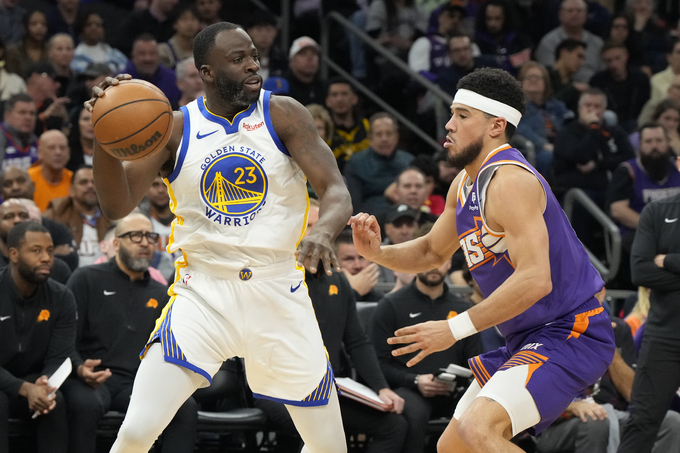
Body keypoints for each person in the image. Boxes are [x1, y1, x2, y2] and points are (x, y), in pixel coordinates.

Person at [86, 22, 352, 453]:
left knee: (330, 447)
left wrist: (323, 229)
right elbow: (116, 207)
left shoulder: (283, 113)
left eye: (254, 56)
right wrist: (106, 131)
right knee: (136, 431)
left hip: (278, 290)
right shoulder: (175, 128)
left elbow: (336, 190)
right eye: (238, 59)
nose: (252, 66)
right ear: (206, 72)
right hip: (204, 295)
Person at [349, 67, 615, 453]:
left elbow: (536, 279)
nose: (449, 124)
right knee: (452, 447)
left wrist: (452, 330)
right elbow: (430, 252)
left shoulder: (510, 181)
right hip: (527, 337)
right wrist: (377, 252)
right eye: (451, 114)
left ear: (496, 125)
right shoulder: (463, 184)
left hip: (569, 331)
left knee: (479, 429)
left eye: (462, 115)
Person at [255, 201, 407, 453]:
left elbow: (357, 341)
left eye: (321, 226)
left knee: (394, 426)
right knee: (318, 428)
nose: (316, 233)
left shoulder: (337, 279)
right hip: (277, 388)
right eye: (308, 226)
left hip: (328, 387)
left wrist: (381, 387)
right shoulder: (272, 278)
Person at [61, 212, 198, 453]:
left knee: (184, 407)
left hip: (136, 383)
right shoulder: (86, 279)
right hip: (90, 378)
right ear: (116, 243)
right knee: (84, 405)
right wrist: (79, 367)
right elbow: (64, 337)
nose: (145, 243)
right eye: (135, 236)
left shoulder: (162, 293)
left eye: (150, 237)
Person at [371, 223, 483, 453]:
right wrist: (414, 380)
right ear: (415, 260)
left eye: (442, 258)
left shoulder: (463, 309)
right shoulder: (390, 305)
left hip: (454, 391)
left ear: (450, 262)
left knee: (483, 411)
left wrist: (457, 382)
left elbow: (475, 360)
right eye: (429, 258)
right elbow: (377, 364)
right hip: (408, 389)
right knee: (414, 413)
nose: (435, 266)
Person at [536, 316, 680, 453]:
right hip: (557, 422)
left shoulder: (618, 329)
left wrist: (606, 344)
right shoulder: (553, 326)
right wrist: (572, 407)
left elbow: (632, 394)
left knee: (671, 422)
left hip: (614, 415)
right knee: (596, 422)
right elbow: (536, 394)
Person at [617, 158, 680, 453]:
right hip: (664, 336)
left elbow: (653, 269)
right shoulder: (657, 212)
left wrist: (670, 261)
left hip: (663, 331)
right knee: (641, 421)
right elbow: (640, 272)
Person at [0, 221, 76, 453]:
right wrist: (23, 388)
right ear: (13, 254)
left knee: (54, 401)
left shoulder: (62, 297)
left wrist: (44, 384)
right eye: (36, 251)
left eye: (50, 251)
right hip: (3, 380)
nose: (46, 258)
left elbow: (58, 357)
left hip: (36, 378)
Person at [343, 112, 414, 217]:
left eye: (389, 134)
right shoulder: (355, 164)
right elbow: (353, 205)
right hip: (369, 220)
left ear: (397, 136)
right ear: (369, 137)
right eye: (379, 134)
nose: (384, 139)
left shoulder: (409, 162)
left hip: (406, 218)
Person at [43, 166, 111, 267]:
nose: (90, 186)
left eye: (95, 182)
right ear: (71, 190)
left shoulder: (114, 216)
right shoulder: (55, 215)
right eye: (83, 182)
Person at [535, 0, 604, 83]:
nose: (575, 14)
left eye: (579, 11)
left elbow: (603, 72)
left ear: (586, 15)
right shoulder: (548, 42)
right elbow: (548, 74)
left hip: (593, 87)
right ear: (560, 15)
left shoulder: (597, 43)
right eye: (570, 11)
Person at [589, 41, 650, 133]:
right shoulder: (598, 81)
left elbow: (647, 103)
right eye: (609, 61)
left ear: (626, 56)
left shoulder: (640, 78)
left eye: (617, 58)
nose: (614, 64)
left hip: (638, 123)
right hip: (609, 126)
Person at [123, 33, 181, 108]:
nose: (148, 58)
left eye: (152, 53)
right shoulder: (121, 81)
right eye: (142, 54)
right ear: (133, 56)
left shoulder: (173, 80)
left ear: (158, 55)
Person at [324, 78, 371, 171]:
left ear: (354, 99)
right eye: (334, 95)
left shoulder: (367, 126)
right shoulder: (323, 130)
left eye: (344, 94)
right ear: (328, 101)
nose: (340, 99)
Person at [28, 130, 72, 212]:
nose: (58, 152)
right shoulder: (28, 179)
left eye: (62, 148)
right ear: (40, 152)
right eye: (51, 147)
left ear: (68, 153)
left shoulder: (75, 181)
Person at [335, 229, 383, 303]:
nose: (358, 266)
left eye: (362, 257)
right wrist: (356, 292)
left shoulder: (382, 302)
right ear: (333, 262)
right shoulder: (324, 296)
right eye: (349, 259)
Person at [547, 38, 588, 113]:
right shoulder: (544, 75)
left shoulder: (574, 85)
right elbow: (547, 104)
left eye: (583, 59)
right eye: (579, 56)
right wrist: (572, 89)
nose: (581, 63)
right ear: (564, 53)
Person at [1, 93, 39, 171]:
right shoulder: (2, 136)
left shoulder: (37, 141)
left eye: (32, 113)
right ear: (7, 116)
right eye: (22, 112)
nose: (28, 118)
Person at [158, 3, 200, 70]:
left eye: (193, 19)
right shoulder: (164, 51)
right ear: (174, 24)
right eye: (184, 19)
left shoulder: (203, 50)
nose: (189, 23)